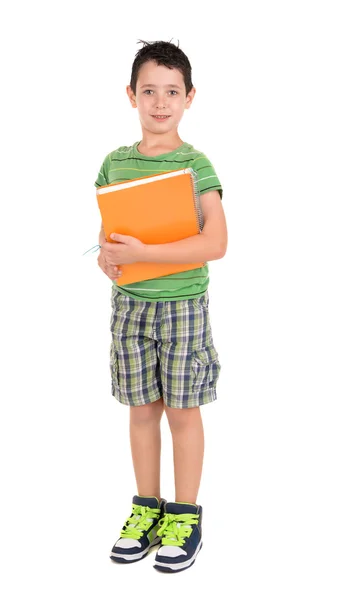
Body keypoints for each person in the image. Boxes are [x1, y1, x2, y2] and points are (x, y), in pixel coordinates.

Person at [94, 39, 228, 573]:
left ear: (189, 97)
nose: (160, 102)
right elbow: (111, 235)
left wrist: (147, 252)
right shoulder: (114, 163)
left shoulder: (196, 164)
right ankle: (147, 507)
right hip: (130, 308)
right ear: (131, 95)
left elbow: (215, 242)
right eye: (148, 91)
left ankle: (185, 515)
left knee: (182, 412)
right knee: (141, 410)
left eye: (172, 91)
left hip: (182, 308)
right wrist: (108, 258)